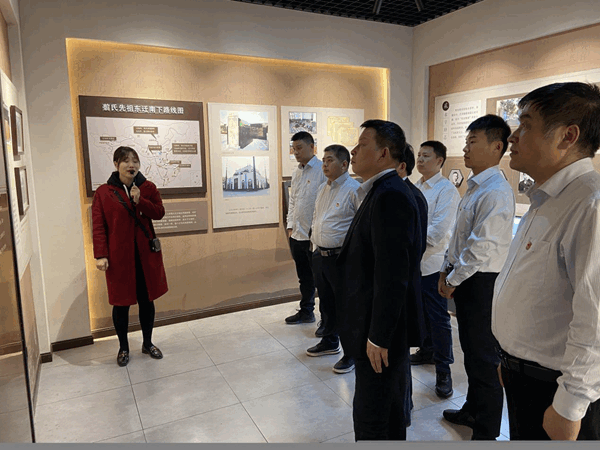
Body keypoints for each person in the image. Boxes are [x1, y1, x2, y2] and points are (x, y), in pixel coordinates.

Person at [492, 82, 600, 441]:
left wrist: (570, 405)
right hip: (525, 376)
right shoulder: (547, 198)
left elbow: (596, 319)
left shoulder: (590, 204)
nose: (512, 137)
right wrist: (509, 357)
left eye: (526, 125)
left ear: (568, 136)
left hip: (557, 389)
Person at [337, 120, 424, 441]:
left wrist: (379, 336)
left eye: (362, 145)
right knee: (379, 407)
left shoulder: (391, 196)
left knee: (376, 415)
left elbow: (392, 274)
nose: (353, 151)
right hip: (371, 324)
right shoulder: (380, 191)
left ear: (384, 153)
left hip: (379, 332)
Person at [438, 115, 514, 440]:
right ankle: (472, 409)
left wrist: (453, 278)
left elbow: (480, 247)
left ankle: (487, 430)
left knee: (484, 358)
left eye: (473, 141)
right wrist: (446, 269)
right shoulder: (475, 186)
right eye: (466, 141)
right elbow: (459, 236)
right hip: (466, 276)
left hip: (481, 282)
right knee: (471, 352)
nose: (466, 148)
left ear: (497, 147)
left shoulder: (496, 192)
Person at [92, 146, 168, 367]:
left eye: (135, 161)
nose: (131, 165)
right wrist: (101, 255)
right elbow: (98, 225)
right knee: (121, 304)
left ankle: (147, 343)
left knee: (147, 301)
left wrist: (140, 200)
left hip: (145, 256)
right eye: (125, 161)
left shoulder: (148, 187)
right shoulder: (104, 192)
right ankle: (123, 348)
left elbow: (159, 213)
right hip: (119, 258)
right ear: (116, 164)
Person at [412, 140, 460, 399]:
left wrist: (408, 240)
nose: (420, 160)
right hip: (414, 264)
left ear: (440, 161)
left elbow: (437, 232)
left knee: (439, 318)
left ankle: (444, 370)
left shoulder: (446, 191)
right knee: (420, 314)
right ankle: (427, 351)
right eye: (419, 155)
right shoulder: (416, 186)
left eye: (426, 156)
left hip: (433, 265)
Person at [306, 144, 360, 375]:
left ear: (344, 164)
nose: (325, 165)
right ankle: (329, 341)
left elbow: (360, 227)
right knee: (326, 303)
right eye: (324, 160)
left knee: (345, 307)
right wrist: (314, 248)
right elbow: (316, 218)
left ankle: (351, 353)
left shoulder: (355, 190)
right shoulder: (323, 188)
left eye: (330, 160)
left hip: (342, 259)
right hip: (321, 255)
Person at [285, 131, 326, 327]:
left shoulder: (322, 170)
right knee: (304, 277)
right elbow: (293, 201)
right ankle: (306, 311)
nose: (296, 152)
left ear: (312, 147)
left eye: (299, 148)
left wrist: (315, 233)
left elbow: (324, 203)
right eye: (294, 148)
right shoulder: (296, 173)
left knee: (322, 280)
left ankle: (327, 320)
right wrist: (290, 227)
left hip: (314, 236)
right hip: (297, 234)